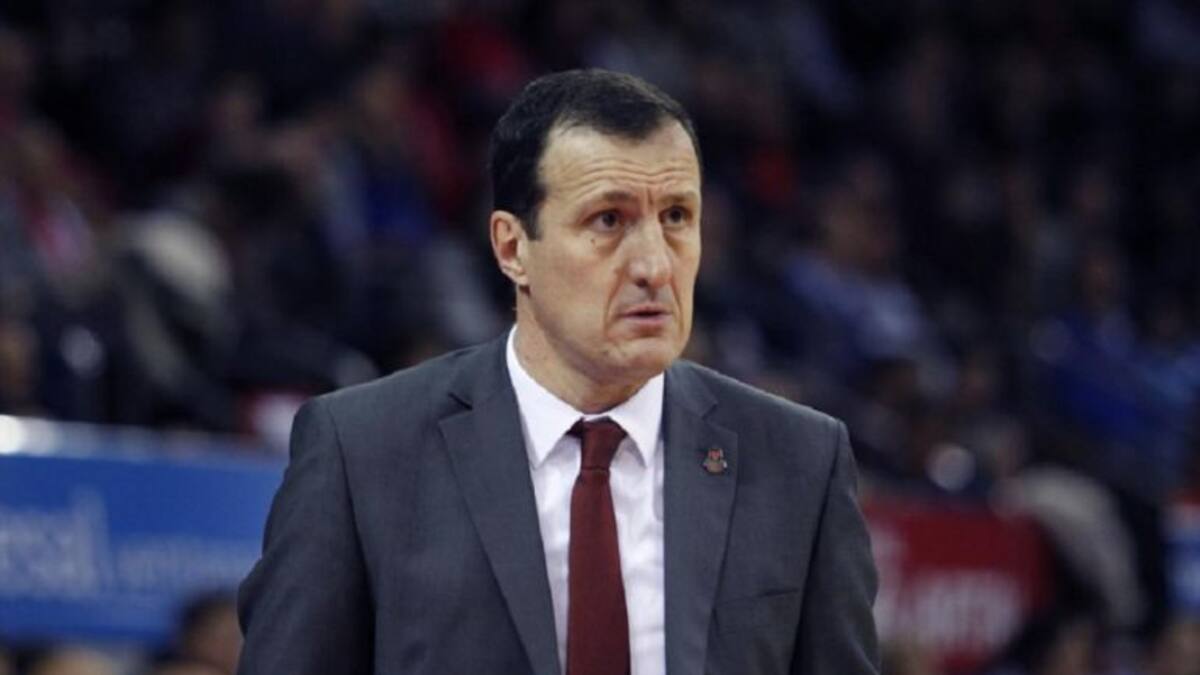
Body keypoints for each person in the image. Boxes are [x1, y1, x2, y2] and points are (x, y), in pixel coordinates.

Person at [237, 68, 879, 675]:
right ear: (512, 247)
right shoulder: (361, 451)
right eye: (609, 220)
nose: (655, 265)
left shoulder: (801, 459)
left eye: (677, 217)